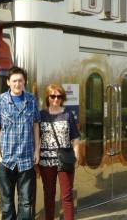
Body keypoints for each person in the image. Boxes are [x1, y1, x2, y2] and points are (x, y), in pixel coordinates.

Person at [0, 66, 41, 220]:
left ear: (24, 81)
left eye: (20, 81)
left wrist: (37, 151)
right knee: (6, 203)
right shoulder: (0, 100)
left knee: (25, 202)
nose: (17, 84)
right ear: (8, 82)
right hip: (6, 160)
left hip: (26, 160)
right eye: (14, 81)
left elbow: (36, 125)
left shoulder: (31, 100)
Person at [39, 84, 80, 220]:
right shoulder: (41, 115)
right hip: (46, 161)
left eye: (59, 96)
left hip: (65, 160)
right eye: (53, 96)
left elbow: (75, 137)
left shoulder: (67, 114)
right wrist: (36, 155)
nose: (56, 99)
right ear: (48, 98)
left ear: (62, 98)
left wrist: (76, 155)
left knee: (67, 196)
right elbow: (37, 138)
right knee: (49, 195)